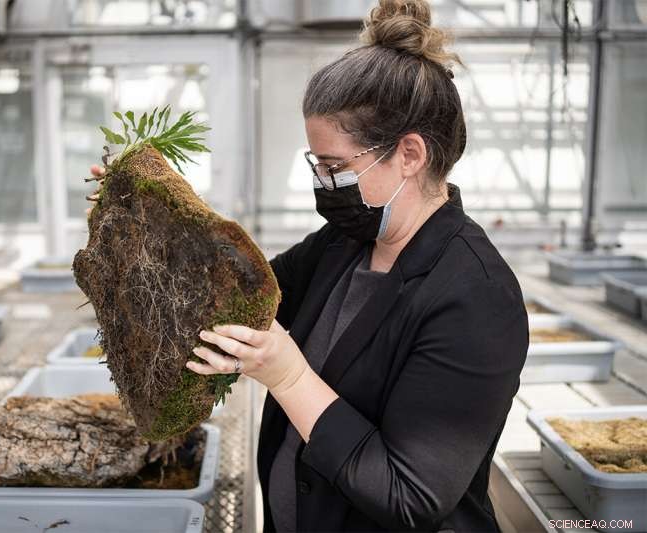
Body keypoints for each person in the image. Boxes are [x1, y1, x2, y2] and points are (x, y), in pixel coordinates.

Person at [90, 1, 528, 530]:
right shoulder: (343, 243)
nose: (323, 180)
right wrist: (141, 217)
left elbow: (410, 497)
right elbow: (224, 298)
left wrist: (288, 374)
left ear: (409, 154)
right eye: (316, 163)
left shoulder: (477, 298)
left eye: (336, 165)